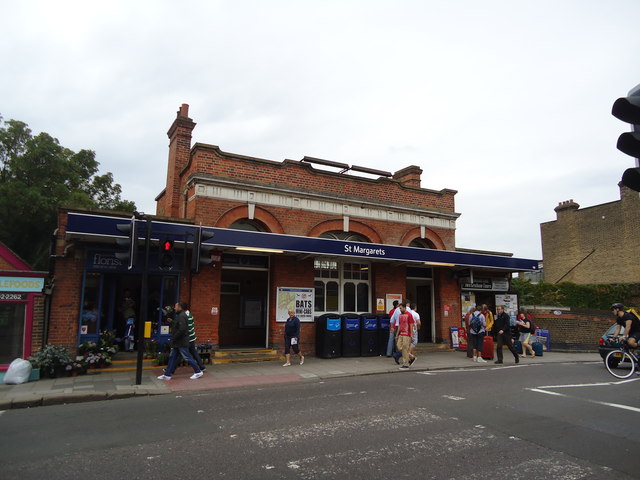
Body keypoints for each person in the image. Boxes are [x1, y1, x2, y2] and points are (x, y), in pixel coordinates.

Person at [157, 302, 204, 380]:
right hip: (179, 342)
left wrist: (174, 337)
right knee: (172, 357)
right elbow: (179, 326)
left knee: (187, 357)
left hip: (181, 341)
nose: (174, 308)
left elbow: (182, 329)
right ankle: (167, 375)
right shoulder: (181, 315)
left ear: (180, 307)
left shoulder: (182, 316)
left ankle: (198, 371)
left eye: (176, 307)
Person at [395, 303, 416, 369]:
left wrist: (411, 335)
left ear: (404, 307)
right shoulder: (400, 315)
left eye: (401, 308)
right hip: (401, 334)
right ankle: (411, 357)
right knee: (399, 346)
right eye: (399, 308)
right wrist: (397, 335)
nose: (400, 309)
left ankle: (406, 364)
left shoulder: (409, 315)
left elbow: (411, 325)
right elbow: (399, 325)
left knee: (405, 348)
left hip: (407, 334)